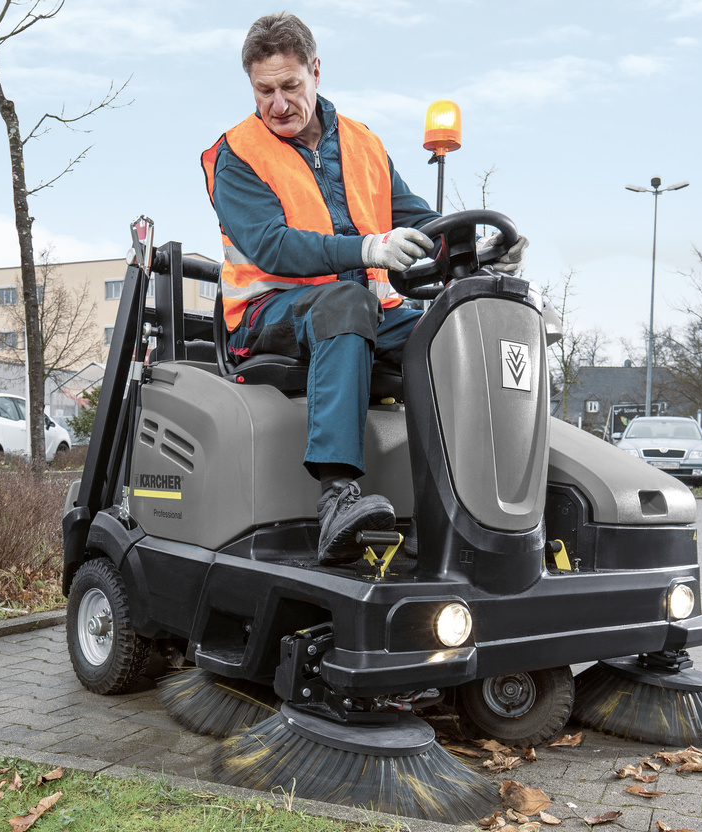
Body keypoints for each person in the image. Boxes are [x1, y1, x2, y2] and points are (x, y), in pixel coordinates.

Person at [201, 13, 526, 564]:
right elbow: (273, 246)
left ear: (316, 71)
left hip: (359, 310)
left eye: (290, 86)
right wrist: (367, 249)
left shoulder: (362, 143)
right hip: (267, 315)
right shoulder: (237, 155)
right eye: (264, 91)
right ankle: (336, 499)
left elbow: (420, 218)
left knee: (448, 328)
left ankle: (460, 502)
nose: (278, 103)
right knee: (348, 301)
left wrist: (487, 247)